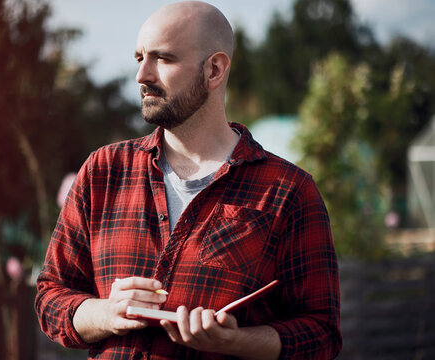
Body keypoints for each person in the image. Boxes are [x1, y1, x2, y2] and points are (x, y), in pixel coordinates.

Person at [35, 1, 342, 359]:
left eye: (163, 59)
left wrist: (234, 341)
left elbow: (321, 335)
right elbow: (50, 297)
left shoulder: (288, 191)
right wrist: (107, 313)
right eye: (140, 58)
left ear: (214, 70)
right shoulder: (103, 171)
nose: (142, 75)